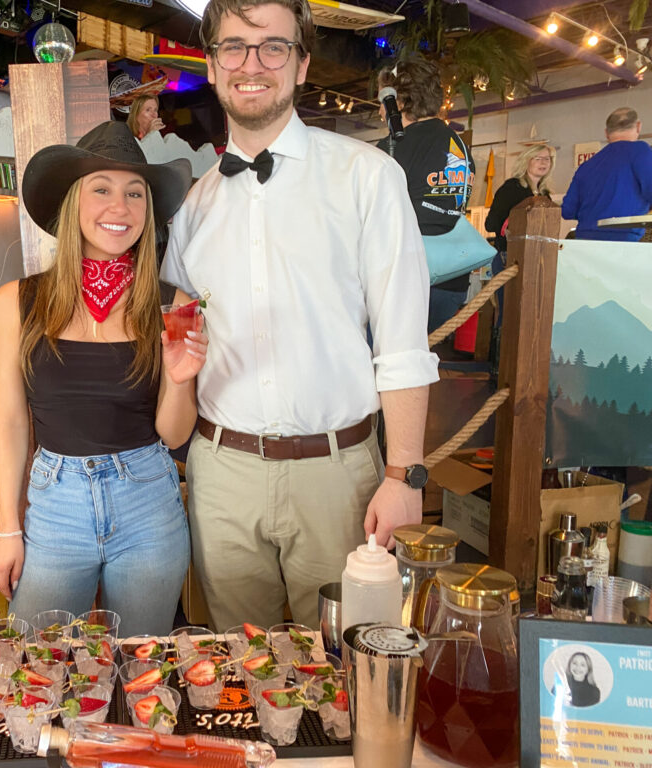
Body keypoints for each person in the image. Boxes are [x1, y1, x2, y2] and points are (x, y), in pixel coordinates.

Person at [160, 0, 438, 631]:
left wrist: (406, 475)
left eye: (273, 47)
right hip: (222, 473)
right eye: (233, 46)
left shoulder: (368, 178)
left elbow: (401, 341)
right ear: (211, 63)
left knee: (345, 666)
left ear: (303, 63)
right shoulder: (194, 208)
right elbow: (183, 340)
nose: (251, 64)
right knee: (233, 672)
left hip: (337, 476)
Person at [0, 121, 206, 637]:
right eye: (102, 189)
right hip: (56, 505)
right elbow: (11, 421)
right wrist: (7, 528)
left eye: (135, 193)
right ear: (72, 203)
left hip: (149, 500)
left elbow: (174, 436)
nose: (121, 206)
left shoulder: (174, 305)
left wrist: (179, 379)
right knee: (38, 670)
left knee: (141, 671)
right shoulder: (16, 302)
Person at [376, 60, 477, 333]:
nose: (380, 112)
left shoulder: (393, 147)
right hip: (451, 280)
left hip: (403, 281)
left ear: (397, 101)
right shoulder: (461, 148)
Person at [485, 143, 555, 328]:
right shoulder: (512, 188)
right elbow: (491, 223)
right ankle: (501, 356)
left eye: (547, 159)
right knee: (509, 315)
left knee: (530, 315)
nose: (543, 162)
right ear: (526, 161)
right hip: (510, 257)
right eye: (537, 158)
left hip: (537, 258)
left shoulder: (546, 195)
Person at [562, 107, 652, 241]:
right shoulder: (641, 151)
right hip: (623, 240)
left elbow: (567, 211)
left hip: (584, 240)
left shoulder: (587, 166)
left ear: (606, 133)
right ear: (638, 126)